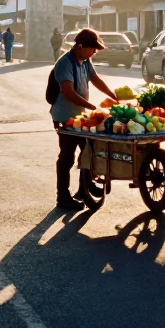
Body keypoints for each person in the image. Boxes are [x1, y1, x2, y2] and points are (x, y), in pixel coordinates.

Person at [50, 28, 117, 210]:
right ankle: (62, 196)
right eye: (92, 49)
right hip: (66, 117)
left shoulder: (85, 61)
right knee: (67, 156)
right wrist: (92, 107)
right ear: (80, 46)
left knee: (89, 150)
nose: (94, 52)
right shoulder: (65, 63)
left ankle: (84, 188)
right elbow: (68, 92)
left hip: (80, 117)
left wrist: (113, 96)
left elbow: (95, 80)